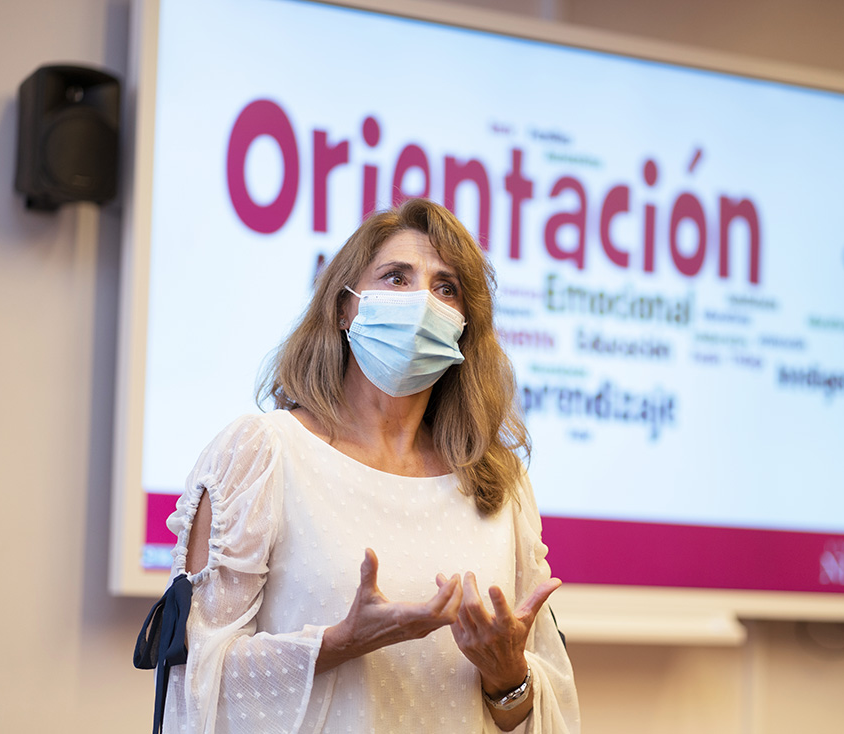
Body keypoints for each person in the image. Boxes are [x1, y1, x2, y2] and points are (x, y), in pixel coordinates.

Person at [159, 198, 581, 733]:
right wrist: (340, 642)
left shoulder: (496, 481)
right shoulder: (265, 453)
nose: (421, 302)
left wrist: (508, 676)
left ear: (463, 327)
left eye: (446, 288)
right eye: (396, 277)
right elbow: (196, 680)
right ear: (344, 307)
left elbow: (537, 706)